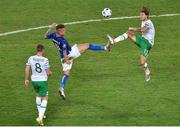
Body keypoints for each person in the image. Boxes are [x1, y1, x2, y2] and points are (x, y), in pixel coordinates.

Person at [45, 23, 110, 99]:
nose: (65, 32)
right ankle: (106, 48)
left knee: (66, 74)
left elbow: (45, 36)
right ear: (59, 31)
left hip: (62, 58)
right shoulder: (63, 41)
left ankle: (61, 88)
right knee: (88, 45)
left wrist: (50, 27)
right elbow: (64, 51)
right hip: (70, 54)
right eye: (63, 30)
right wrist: (67, 60)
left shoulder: (53, 35)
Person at [107, 7, 155, 82]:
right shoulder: (143, 21)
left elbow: (143, 30)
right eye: (140, 15)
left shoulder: (149, 22)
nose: (140, 16)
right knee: (128, 33)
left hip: (147, 44)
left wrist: (133, 29)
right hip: (142, 40)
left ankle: (147, 72)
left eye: (142, 15)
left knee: (142, 62)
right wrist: (132, 31)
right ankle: (113, 41)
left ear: (146, 15)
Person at [25, 44, 52, 126]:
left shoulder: (31, 58)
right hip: (42, 81)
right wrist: (50, 73)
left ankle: (41, 114)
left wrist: (26, 79)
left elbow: (27, 69)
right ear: (43, 50)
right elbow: (48, 73)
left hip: (34, 81)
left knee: (38, 95)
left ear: (37, 50)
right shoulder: (45, 60)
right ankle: (40, 118)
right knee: (45, 98)